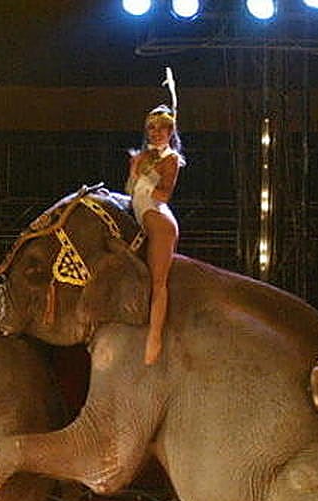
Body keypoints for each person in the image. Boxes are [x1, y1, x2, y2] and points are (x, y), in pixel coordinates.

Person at [126, 67, 185, 365]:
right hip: (141, 216)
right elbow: (130, 191)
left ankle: (155, 338)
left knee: (158, 283)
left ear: (170, 132)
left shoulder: (171, 159)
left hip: (159, 221)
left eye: (161, 129)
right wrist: (135, 170)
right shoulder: (142, 156)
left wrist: (145, 174)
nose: (156, 133)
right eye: (152, 128)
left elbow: (163, 195)